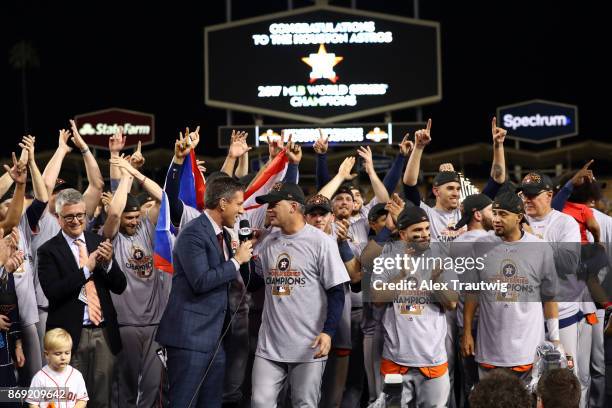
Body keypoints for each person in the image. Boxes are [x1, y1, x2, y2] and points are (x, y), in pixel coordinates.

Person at [247, 182, 349, 407]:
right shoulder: (267, 240)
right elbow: (254, 283)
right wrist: (243, 259)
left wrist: (328, 332)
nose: (269, 209)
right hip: (270, 345)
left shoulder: (321, 242)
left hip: (308, 344)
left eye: (274, 204)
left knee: (304, 403)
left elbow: (336, 292)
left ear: (293, 206)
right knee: (260, 403)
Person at [156, 176, 253, 407]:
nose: (242, 210)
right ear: (223, 203)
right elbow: (201, 280)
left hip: (214, 338)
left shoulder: (224, 235)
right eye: (238, 204)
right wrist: (236, 262)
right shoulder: (193, 233)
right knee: (184, 402)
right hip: (190, 338)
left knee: (211, 403)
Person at [37, 188, 127, 408]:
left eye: (80, 215)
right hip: (69, 338)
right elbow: (54, 292)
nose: (76, 221)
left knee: (101, 399)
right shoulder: (48, 250)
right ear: (58, 218)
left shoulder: (98, 241)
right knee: (69, 400)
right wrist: (86, 270)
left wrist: (109, 263)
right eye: (69, 216)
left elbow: (120, 286)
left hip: (103, 332)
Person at [461, 192, 559, 385]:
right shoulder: (480, 246)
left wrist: (555, 339)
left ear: (519, 217)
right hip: (489, 349)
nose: (496, 219)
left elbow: (550, 297)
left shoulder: (541, 248)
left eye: (503, 214)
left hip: (528, 351)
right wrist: (467, 332)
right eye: (495, 213)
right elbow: (473, 293)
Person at [371, 206, 456, 408]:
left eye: (427, 228)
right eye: (417, 230)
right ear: (402, 234)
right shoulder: (387, 258)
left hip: (432, 358)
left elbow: (451, 303)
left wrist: (435, 281)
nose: (424, 234)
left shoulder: (441, 257)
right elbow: (377, 298)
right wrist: (401, 276)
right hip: (396, 357)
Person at [104, 154, 166, 408]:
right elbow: (116, 212)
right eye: (129, 219)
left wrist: (134, 171)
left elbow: (165, 199)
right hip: (125, 323)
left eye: (136, 217)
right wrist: (125, 174)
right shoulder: (110, 236)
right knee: (127, 389)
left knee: (152, 387)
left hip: (154, 322)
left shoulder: (147, 226)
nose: (133, 222)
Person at [27, 328, 88, 408]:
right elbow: (33, 404)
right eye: (58, 353)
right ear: (47, 355)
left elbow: (82, 400)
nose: (63, 357)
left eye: (67, 353)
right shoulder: (39, 377)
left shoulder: (76, 375)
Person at [0, 227, 26, 395]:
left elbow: (10, 305)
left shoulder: (5, 269)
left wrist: (18, 344)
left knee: (9, 397)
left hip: (3, 350)